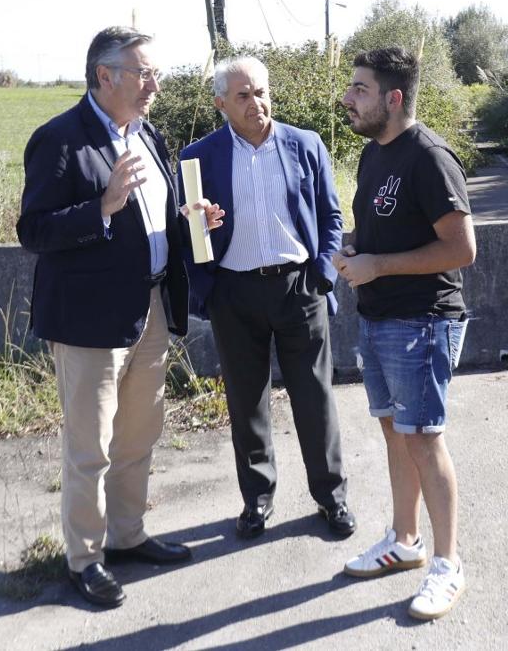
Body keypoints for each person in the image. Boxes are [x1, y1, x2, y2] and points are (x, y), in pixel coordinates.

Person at [17, 26, 222, 609]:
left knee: (139, 434)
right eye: (144, 73)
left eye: (155, 72)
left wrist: (192, 220)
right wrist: (101, 206)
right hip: (88, 321)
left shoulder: (148, 133)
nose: (155, 84)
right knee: (91, 446)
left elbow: (152, 219)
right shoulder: (59, 139)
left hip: (151, 306)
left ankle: (127, 536)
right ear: (104, 76)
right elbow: (33, 231)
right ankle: (84, 558)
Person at [178, 55, 355, 540]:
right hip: (234, 293)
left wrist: (322, 276)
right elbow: (188, 231)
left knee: (315, 399)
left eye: (260, 92)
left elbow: (330, 218)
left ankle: (331, 498)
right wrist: (207, 287)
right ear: (220, 104)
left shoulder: (305, 144)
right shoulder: (198, 157)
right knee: (246, 402)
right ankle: (257, 500)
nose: (255, 103)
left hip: (299, 288)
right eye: (242, 96)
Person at [334, 47, 476, 621]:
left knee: (423, 437)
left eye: (360, 89)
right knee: (396, 433)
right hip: (379, 317)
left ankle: (447, 565)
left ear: (393, 98)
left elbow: (462, 250)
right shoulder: (374, 154)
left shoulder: (428, 158)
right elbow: (383, 231)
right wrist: (354, 247)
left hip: (422, 321)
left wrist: (379, 267)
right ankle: (404, 541)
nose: (349, 98)